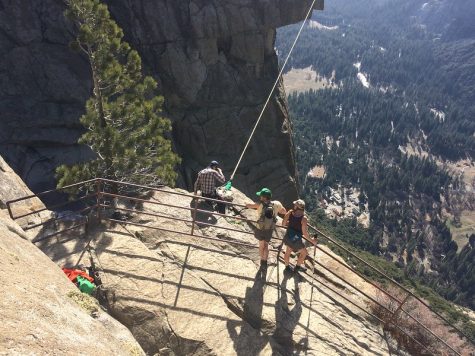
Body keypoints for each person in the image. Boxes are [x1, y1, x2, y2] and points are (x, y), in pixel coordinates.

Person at [246, 188, 287, 267]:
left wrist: (246, 204)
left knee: (261, 245)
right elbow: (284, 211)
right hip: (270, 229)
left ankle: (262, 261)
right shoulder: (277, 204)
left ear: (264, 197)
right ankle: (265, 261)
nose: (260, 197)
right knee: (266, 245)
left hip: (260, 228)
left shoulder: (259, 204)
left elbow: (249, 205)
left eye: (261, 196)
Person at [282, 199, 316, 273]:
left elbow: (283, 224)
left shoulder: (290, 213)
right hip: (296, 239)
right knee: (304, 253)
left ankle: (287, 268)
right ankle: (297, 267)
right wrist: (312, 241)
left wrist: (290, 222)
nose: (293, 206)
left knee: (288, 252)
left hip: (288, 236)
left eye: (295, 205)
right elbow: (305, 233)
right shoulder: (303, 218)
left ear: (297, 207)